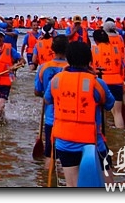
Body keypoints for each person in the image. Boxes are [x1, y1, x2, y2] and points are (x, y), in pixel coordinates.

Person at [45, 41, 115, 187]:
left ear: (68, 59)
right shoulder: (96, 83)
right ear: (89, 59)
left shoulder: (56, 80)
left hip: (64, 142)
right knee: (108, 185)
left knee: (72, 185)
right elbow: (109, 104)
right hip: (92, 142)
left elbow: (47, 99)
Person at [34, 35, 69, 171]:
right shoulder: (71, 68)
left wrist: (46, 93)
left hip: (51, 116)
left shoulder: (44, 67)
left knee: (50, 154)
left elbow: (37, 91)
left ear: (52, 49)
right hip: (68, 116)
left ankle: (46, 179)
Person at [91, 27, 125, 128]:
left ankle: (105, 132)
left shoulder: (93, 50)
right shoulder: (116, 49)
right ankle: (121, 134)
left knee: (102, 111)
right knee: (118, 113)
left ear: (95, 40)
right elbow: (122, 67)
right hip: (117, 81)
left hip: (101, 82)